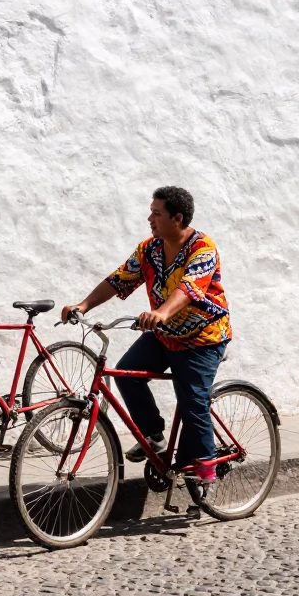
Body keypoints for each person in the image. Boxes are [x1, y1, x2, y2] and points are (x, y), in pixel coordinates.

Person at [61, 186, 231, 483]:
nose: (150, 218)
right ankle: (154, 437)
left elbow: (190, 288)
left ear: (177, 218)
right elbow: (119, 279)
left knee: (192, 403)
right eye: (151, 212)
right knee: (127, 374)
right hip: (164, 334)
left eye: (156, 213)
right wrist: (83, 305)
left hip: (202, 339)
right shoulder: (150, 249)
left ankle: (206, 474)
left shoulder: (202, 248)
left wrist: (162, 312)